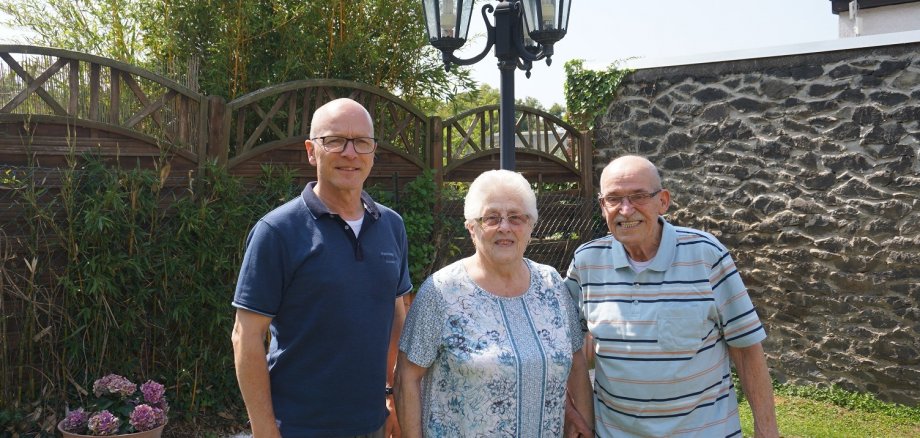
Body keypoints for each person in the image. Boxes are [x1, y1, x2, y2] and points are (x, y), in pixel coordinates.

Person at [231, 98, 412, 438]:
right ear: (311, 151)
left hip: (373, 423)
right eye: (334, 141)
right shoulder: (277, 231)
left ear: (373, 152)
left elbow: (395, 317)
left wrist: (392, 398)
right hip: (299, 428)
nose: (350, 153)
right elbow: (246, 337)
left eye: (362, 142)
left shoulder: (392, 226)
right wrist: (265, 432)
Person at [564, 155, 779, 437]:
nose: (626, 210)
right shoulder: (587, 262)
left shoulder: (706, 255)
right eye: (614, 199)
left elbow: (746, 347)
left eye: (638, 196)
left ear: (663, 201)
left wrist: (766, 431)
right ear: (603, 206)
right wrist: (574, 411)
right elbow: (564, 346)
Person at [394, 169, 594, 437]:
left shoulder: (552, 285)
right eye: (491, 218)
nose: (505, 227)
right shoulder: (442, 291)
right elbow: (407, 376)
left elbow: (576, 362)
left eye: (516, 217)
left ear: (531, 226)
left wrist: (585, 425)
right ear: (471, 228)